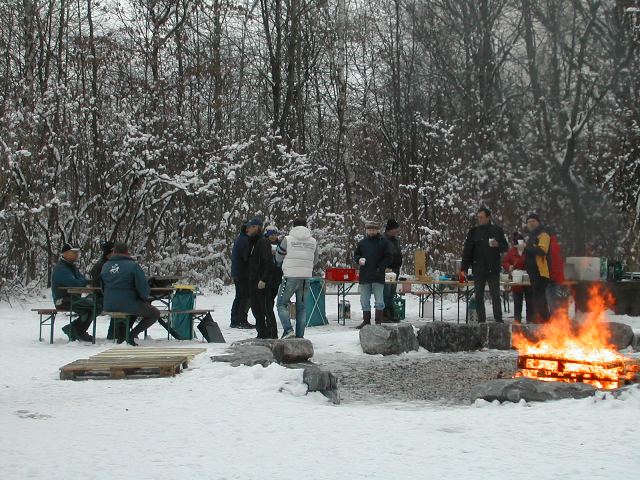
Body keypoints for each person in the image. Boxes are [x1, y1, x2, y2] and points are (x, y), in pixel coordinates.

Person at [100, 242, 161, 346]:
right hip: (129, 304)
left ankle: (121, 335)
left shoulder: (105, 266)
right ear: (127, 252)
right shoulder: (133, 266)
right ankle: (131, 335)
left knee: (131, 308)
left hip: (108, 304)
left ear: (114, 252)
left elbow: (102, 287)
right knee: (154, 313)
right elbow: (143, 288)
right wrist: (143, 297)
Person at [460, 207, 508, 323]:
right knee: (479, 296)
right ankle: (481, 321)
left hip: (493, 268)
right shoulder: (474, 232)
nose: (480, 219)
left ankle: (498, 320)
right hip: (478, 268)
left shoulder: (497, 230)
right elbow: (468, 250)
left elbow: (505, 247)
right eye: (478, 217)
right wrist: (464, 268)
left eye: (482, 217)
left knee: (495, 296)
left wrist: (498, 244)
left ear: (488, 217)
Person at [275, 218, 319, 339]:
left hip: (290, 277)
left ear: (293, 226)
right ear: (306, 226)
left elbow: (278, 257)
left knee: (281, 304)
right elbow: (315, 260)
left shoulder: (287, 239)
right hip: (306, 278)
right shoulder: (313, 241)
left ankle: (288, 330)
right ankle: (300, 337)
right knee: (302, 308)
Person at [51, 242, 97, 342]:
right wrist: (82, 281)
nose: (76, 254)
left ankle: (76, 330)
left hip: (73, 298)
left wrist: (84, 281)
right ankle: (77, 330)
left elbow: (81, 280)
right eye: (73, 252)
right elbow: (76, 283)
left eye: (77, 252)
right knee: (92, 307)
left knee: (95, 307)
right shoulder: (61, 268)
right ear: (65, 253)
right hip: (62, 300)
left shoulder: (71, 267)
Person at [354, 220, 393, 329]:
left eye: (374, 230)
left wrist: (381, 266)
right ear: (366, 230)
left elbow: (389, 257)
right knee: (364, 300)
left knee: (379, 300)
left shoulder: (384, 242)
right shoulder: (362, 243)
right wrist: (358, 259)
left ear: (378, 230)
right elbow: (356, 255)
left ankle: (378, 321)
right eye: (369, 230)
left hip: (378, 276)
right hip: (365, 275)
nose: (371, 231)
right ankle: (366, 322)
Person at [246, 218, 278, 339]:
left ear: (257, 228)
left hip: (262, 281)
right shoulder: (252, 242)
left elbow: (268, 263)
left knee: (266, 308)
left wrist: (264, 279)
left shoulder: (263, 242)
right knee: (256, 309)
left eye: (250, 227)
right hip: (253, 281)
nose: (248, 230)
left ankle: (273, 334)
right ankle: (261, 333)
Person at [524, 213, 551, 323]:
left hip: (541, 271)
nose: (531, 224)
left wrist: (526, 248)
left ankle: (545, 321)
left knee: (540, 298)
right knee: (534, 297)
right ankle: (538, 320)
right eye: (529, 222)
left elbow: (542, 251)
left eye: (533, 221)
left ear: (538, 222)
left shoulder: (543, 235)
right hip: (532, 272)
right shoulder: (530, 237)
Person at [502, 232, 532, 323]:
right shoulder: (511, 252)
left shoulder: (528, 251)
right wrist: (509, 267)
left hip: (528, 277)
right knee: (517, 299)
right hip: (516, 277)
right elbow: (505, 262)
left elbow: (534, 260)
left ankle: (530, 319)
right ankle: (517, 319)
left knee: (530, 299)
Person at [230, 222, 254, 329]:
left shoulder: (240, 239)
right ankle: (241, 320)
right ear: (247, 230)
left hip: (237, 272)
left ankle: (234, 320)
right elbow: (246, 257)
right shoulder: (246, 240)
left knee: (239, 296)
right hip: (243, 273)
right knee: (244, 297)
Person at [90, 240, 117, 338]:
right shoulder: (103, 265)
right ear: (109, 252)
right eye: (114, 251)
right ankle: (115, 333)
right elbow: (100, 285)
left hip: (105, 295)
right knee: (121, 304)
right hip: (101, 297)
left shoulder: (108, 263)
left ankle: (117, 332)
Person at [382, 218, 402, 322]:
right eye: (396, 229)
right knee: (386, 292)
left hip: (396, 269)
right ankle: (384, 313)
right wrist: (384, 266)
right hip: (387, 269)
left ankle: (390, 312)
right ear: (390, 229)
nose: (397, 231)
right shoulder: (383, 239)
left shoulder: (395, 240)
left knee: (392, 292)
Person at [546, 229, 566, 317]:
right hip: (556, 277)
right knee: (553, 301)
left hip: (552, 279)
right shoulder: (554, 245)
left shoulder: (551, 247)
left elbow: (555, 264)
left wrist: (551, 277)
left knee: (552, 302)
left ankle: (555, 320)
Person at [264, 225, 283, 306]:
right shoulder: (263, 243)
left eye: (275, 235)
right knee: (266, 298)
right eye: (271, 235)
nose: (273, 237)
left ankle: (269, 310)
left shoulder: (280, 244)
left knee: (272, 297)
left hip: (277, 275)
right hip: (265, 275)